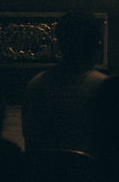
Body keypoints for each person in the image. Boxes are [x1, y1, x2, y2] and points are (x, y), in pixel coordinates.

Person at [21, 12, 108, 153]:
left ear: (59, 44)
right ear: (97, 46)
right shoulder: (106, 88)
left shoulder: (34, 85)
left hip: (41, 172)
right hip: (89, 173)